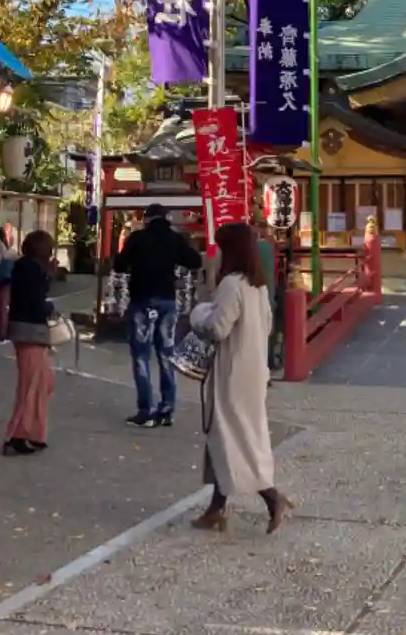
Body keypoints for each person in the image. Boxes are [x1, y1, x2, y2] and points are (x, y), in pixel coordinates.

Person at [188, 222, 293, 534]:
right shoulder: (258, 285)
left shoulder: (231, 284)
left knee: (232, 436)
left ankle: (272, 497)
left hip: (232, 371)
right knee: (235, 435)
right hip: (253, 369)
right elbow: (267, 324)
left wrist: (199, 315)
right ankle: (215, 509)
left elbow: (218, 328)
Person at [115, 203, 203, 428]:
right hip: (167, 300)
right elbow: (195, 261)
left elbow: (119, 265)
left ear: (147, 219)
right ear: (166, 218)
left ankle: (146, 410)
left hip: (142, 299)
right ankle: (166, 410)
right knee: (166, 354)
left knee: (141, 355)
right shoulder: (175, 239)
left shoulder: (137, 238)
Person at [3, 230, 58, 455]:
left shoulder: (24, 267)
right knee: (32, 385)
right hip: (31, 330)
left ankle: (33, 431)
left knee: (43, 381)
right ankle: (17, 433)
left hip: (24, 329)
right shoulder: (34, 270)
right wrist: (50, 307)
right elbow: (37, 303)